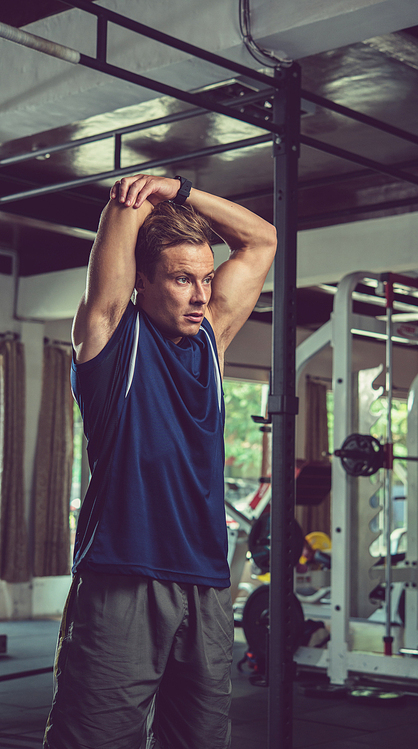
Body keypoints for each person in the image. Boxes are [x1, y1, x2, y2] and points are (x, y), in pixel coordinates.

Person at [43, 173, 277, 749]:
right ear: (141, 281)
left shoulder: (211, 343)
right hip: (124, 578)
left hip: (207, 586)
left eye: (205, 278)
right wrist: (136, 194)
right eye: (181, 279)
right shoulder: (110, 341)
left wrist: (182, 189)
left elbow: (263, 241)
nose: (201, 294)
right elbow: (120, 222)